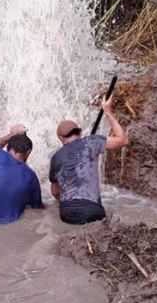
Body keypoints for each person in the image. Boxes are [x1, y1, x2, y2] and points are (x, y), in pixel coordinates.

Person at [50, 96, 129, 225]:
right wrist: (108, 112)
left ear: (60, 138)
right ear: (80, 133)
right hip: (92, 211)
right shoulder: (92, 142)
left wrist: (68, 204)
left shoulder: (55, 157)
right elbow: (123, 140)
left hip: (66, 214)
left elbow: (55, 192)